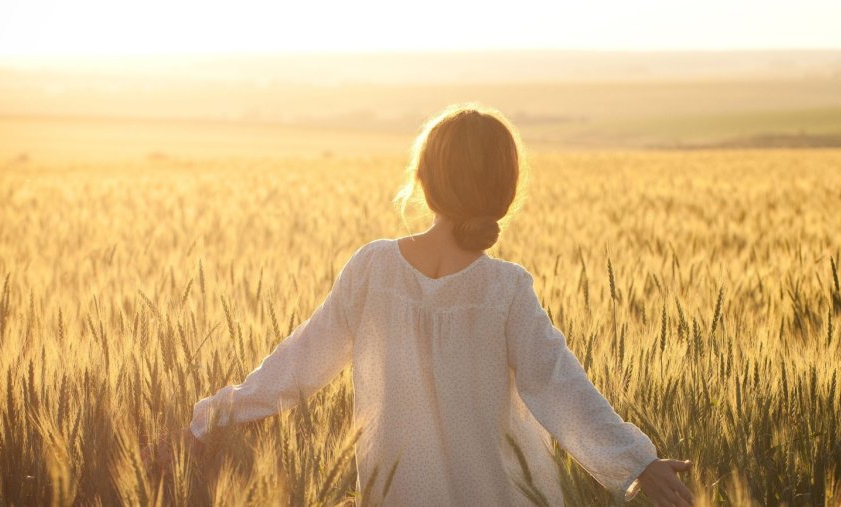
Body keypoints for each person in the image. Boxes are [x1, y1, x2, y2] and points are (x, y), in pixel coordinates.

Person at [184, 103, 694, 506]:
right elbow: (560, 387)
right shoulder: (505, 288)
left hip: (397, 495)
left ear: (424, 181)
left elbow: (297, 365)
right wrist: (637, 464)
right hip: (504, 495)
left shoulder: (373, 269)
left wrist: (210, 418)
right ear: (505, 191)